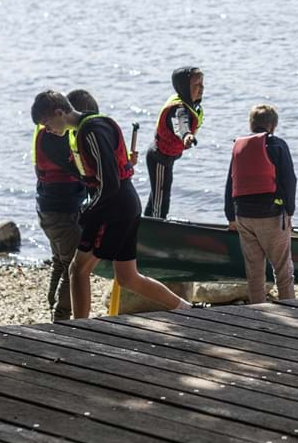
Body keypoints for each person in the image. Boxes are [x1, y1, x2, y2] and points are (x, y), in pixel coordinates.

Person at [31, 91, 191, 318]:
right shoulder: (81, 131)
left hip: (112, 207)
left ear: (59, 112)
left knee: (78, 269)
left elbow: (110, 183)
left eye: (46, 124)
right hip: (124, 203)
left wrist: (88, 210)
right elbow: (107, 171)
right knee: (128, 277)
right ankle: (185, 308)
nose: (47, 130)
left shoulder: (90, 131)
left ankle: (82, 327)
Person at [224, 104, 297, 304]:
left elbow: (230, 181)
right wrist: (289, 211)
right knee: (283, 270)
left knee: (254, 271)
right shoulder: (278, 145)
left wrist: (230, 216)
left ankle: (258, 312)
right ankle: (291, 310)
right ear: (273, 126)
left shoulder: (239, 146)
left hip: (244, 216)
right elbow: (289, 180)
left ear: (251, 124)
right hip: (271, 215)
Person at [32, 94, 88, 322]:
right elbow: (81, 171)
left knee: (60, 261)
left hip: (47, 207)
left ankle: (53, 309)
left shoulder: (46, 134)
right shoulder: (55, 137)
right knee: (73, 267)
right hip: (60, 211)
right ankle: (61, 317)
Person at [145, 67, 204, 219]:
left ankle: (146, 224)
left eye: (202, 84)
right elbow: (180, 123)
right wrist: (187, 136)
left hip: (167, 157)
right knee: (160, 199)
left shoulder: (191, 105)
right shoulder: (178, 108)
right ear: (184, 87)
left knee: (161, 194)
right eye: (196, 85)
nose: (201, 88)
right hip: (159, 157)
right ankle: (155, 228)